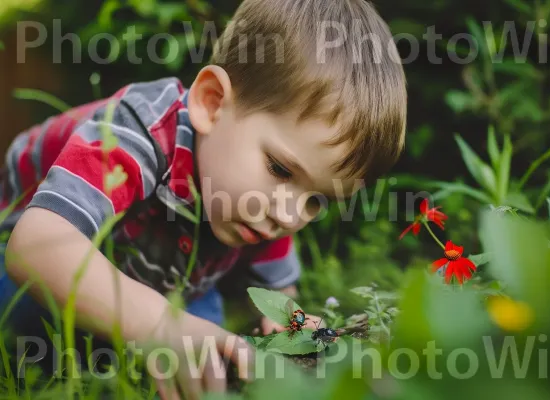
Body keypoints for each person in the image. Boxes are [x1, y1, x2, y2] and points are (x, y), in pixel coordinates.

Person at [0, 0, 407, 397]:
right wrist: (163, 326)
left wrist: (297, 327)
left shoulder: (267, 211)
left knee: (216, 352)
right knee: (26, 322)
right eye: (280, 170)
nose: (289, 215)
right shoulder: (139, 132)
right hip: (32, 261)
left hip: (163, 285)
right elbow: (34, 248)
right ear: (211, 103)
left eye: (317, 200)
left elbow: (279, 298)